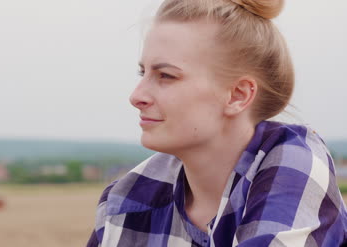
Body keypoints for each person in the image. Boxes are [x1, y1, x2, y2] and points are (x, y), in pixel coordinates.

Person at [87, 0, 347, 246]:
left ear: (238, 95)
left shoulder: (293, 163)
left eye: (166, 75)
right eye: (143, 73)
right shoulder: (126, 198)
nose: (136, 96)